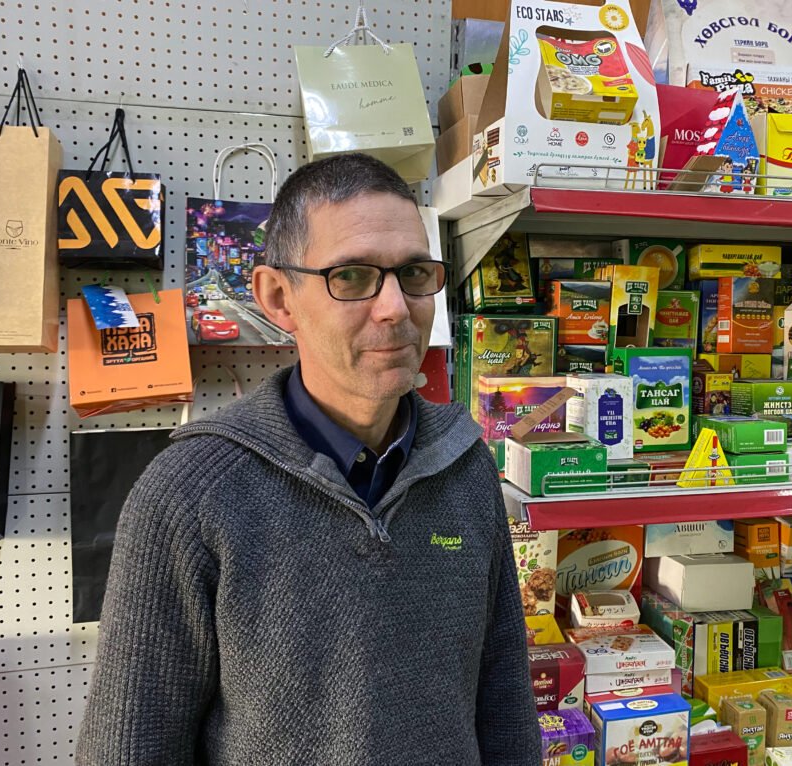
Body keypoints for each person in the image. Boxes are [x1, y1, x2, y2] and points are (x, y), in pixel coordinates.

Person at [76, 153, 539, 765]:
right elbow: (130, 748)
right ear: (278, 297)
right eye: (352, 276)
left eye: (413, 273)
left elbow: (505, 700)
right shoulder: (188, 496)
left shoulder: (464, 465)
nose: (396, 307)